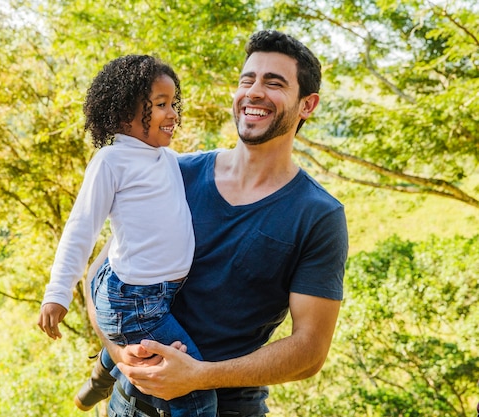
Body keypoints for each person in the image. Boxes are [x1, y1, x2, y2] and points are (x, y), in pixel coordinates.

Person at [86, 30, 349, 416]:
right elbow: (99, 274)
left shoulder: (318, 214)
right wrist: (119, 354)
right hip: (128, 404)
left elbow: (310, 350)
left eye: (273, 83)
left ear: (307, 105)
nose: (254, 92)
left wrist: (199, 377)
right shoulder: (173, 173)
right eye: (248, 80)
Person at [37, 54, 217, 417]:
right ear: (123, 116)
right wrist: (57, 293)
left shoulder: (165, 158)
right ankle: (110, 363)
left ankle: (104, 371)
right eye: (160, 105)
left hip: (151, 293)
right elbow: (81, 227)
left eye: (174, 104)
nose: (173, 114)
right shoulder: (111, 161)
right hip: (133, 302)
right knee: (197, 398)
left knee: (136, 350)